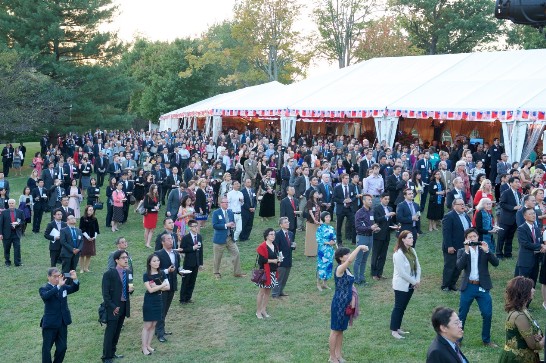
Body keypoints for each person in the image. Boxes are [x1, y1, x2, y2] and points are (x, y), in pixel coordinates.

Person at [460, 228, 500, 348]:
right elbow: (459, 266)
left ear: (478, 237)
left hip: (482, 286)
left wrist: (488, 251)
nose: (472, 239)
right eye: (470, 237)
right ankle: (458, 339)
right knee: (462, 315)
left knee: (487, 314)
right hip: (468, 286)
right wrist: (466, 252)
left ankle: (486, 340)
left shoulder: (484, 250)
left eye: (474, 236)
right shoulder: (462, 251)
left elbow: (496, 263)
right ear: (466, 239)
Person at [329, 244, 368, 363]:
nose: (348, 255)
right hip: (339, 303)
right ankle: (332, 357)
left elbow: (351, 286)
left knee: (341, 330)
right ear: (341, 258)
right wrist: (360, 246)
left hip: (346, 303)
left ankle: (339, 355)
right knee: (335, 330)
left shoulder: (347, 270)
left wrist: (353, 301)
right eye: (346, 254)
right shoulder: (340, 269)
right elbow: (351, 260)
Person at [499, 276, 544, 362]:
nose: (534, 290)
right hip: (519, 359)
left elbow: (520, 334)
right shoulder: (519, 316)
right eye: (531, 288)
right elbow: (533, 346)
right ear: (524, 292)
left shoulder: (522, 310)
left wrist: (535, 336)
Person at [39, 268, 79, 363]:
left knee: (62, 347)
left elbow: (74, 288)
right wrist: (57, 287)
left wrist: (75, 279)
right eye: (55, 276)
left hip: (62, 322)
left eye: (59, 276)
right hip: (50, 323)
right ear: (48, 277)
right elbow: (46, 296)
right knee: (46, 348)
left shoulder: (63, 286)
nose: (57, 279)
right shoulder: (44, 288)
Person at [102, 250, 133, 363]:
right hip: (113, 307)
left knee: (117, 331)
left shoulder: (128, 272)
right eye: (123, 257)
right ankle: (106, 357)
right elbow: (105, 294)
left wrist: (131, 290)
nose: (126, 259)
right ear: (116, 260)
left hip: (124, 306)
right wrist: (112, 307)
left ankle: (112, 352)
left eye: (127, 257)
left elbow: (129, 287)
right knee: (110, 332)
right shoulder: (109, 274)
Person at [390, 230, 421, 339]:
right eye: (409, 238)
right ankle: (394, 331)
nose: (412, 239)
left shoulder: (412, 250)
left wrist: (417, 279)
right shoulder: (398, 254)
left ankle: (398, 328)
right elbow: (402, 272)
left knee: (403, 308)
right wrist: (414, 282)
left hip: (411, 284)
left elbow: (418, 266)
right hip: (401, 284)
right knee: (398, 307)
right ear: (402, 239)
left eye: (412, 237)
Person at [141, 254, 170, 355]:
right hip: (150, 300)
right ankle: (144, 347)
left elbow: (168, 287)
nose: (156, 262)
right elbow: (150, 289)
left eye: (158, 260)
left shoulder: (162, 273)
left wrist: (156, 286)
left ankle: (148, 345)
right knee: (147, 325)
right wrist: (161, 285)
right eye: (154, 261)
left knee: (153, 325)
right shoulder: (146, 275)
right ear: (149, 263)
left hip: (159, 300)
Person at [211, 197, 245, 279]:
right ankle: (216, 273)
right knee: (217, 257)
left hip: (229, 238)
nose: (226, 204)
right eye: (225, 202)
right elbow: (214, 225)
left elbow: (232, 223)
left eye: (227, 202)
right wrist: (226, 225)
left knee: (236, 253)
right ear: (220, 203)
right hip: (219, 239)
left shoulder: (230, 212)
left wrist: (233, 226)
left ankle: (237, 273)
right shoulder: (216, 213)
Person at [515, 208, 546, 287]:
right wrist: (540, 246)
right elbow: (525, 243)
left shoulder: (536, 228)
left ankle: (529, 299)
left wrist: (542, 247)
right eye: (530, 214)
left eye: (534, 213)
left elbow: (539, 240)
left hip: (535, 261)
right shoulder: (521, 228)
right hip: (525, 261)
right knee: (522, 285)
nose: (533, 215)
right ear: (525, 216)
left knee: (532, 285)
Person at [353, 194, 379, 285]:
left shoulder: (371, 212)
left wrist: (374, 228)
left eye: (371, 200)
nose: (371, 201)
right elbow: (357, 227)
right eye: (369, 200)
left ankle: (362, 277)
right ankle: (356, 279)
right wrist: (370, 228)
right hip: (362, 237)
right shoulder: (359, 213)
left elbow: (370, 225)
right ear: (363, 201)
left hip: (370, 237)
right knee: (358, 259)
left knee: (365, 259)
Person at [371, 193, 397, 280]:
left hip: (386, 235)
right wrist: (387, 215)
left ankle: (380, 273)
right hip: (378, 235)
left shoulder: (390, 208)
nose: (387, 201)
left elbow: (389, 222)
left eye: (388, 199)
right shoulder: (377, 208)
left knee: (383, 255)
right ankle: (374, 273)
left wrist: (395, 226)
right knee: (376, 254)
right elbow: (377, 219)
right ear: (381, 199)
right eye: (385, 199)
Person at [255, 228, 279, 319]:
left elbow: (277, 255)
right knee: (261, 292)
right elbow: (261, 261)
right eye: (271, 234)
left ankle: (263, 310)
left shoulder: (275, 245)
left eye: (274, 234)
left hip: (273, 272)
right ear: (266, 236)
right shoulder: (262, 247)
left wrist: (279, 260)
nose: (273, 236)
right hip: (264, 273)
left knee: (268, 292)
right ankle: (258, 311)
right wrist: (273, 261)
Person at [497, 176, 522, 259]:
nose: (518, 184)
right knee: (501, 237)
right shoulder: (506, 192)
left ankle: (508, 254)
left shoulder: (518, 193)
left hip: (515, 219)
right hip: (505, 219)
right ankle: (499, 254)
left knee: (510, 237)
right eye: (516, 182)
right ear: (511, 183)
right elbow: (502, 204)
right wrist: (513, 207)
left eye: (519, 182)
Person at [180, 219, 203, 303]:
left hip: (196, 263)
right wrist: (192, 248)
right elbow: (182, 249)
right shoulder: (186, 238)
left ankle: (188, 297)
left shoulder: (199, 237)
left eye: (197, 226)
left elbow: (201, 250)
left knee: (192, 281)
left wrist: (201, 263)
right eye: (194, 226)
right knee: (186, 281)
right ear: (190, 228)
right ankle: (182, 298)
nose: (196, 228)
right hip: (188, 263)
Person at [272, 217, 295, 298]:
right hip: (281, 260)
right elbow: (276, 248)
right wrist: (278, 259)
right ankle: (275, 293)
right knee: (279, 278)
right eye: (285, 222)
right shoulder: (277, 234)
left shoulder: (291, 234)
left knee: (285, 277)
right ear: (281, 225)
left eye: (288, 222)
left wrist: (293, 247)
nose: (287, 223)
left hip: (288, 259)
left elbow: (290, 245)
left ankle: (281, 291)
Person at [333, 173, 357, 245]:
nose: (347, 180)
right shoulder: (337, 188)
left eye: (348, 178)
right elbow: (334, 198)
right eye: (346, 178)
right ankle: (339, 241)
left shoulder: (351, 186)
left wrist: (351, 200)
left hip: (349, 208)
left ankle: (354, 240)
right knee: (339, 225)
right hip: (341, 208)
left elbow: (355, 196)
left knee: (354, 224)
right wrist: (343, 200)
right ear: (342, 179)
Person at [0, 199, 24, 266]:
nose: (11, 204)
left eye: (12, 203)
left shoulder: (20, 212)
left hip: (16, 233)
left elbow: (23, 222)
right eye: (10, 203)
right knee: (6, 248)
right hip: (6, 234)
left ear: (15, 204)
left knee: (17, 248)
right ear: (8, 204)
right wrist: (0, 234)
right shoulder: (4, 212)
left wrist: (18, 223)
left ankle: (17, 262)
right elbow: (1, 224)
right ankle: (7, 262)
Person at [316, 211, 336, 291]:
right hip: (322, 250)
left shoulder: (331, 228)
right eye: (327, 217)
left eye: (329, 217)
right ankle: (318, 283)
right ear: (323, 218)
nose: (328, 218)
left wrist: (333, 242)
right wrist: (328, 242)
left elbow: (334, 238)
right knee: (321, 266)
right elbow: (318, 239)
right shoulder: (320, 228)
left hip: (330, 250)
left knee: (328, 266)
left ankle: (325, 283)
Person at [79, 205, 99, 273]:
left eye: (92, 210)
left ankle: (86, 268)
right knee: (82, 254)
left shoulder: (95, 219)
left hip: (92, 239)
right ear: (86, 211)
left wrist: (94, 237)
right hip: (85, 238)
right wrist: (88, 237)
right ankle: (81, 268)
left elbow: (97, 229)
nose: (91, 211)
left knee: (89, 253)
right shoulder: (83, 218)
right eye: (90, 210)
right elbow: (81, 229)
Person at [305, 189, 322, 257]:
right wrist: (314, 219)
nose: (317, 194)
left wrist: (320, 219)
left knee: (316, 237)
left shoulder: (318, 202)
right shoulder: (310, 202)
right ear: (312, 194)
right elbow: (310, 211)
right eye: (316, 193)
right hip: (311, 221)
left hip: (317, 220)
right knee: (310, 238)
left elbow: (319, 211)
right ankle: (309, 252)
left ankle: (316, 251)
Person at [143, 184, 160, 248]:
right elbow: (145, 205)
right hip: (149, 214)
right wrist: (153, 207)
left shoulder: (157, 196)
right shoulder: (148, 195)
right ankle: (146, 242)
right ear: (152, 189)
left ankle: (148, 243)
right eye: (154, 188)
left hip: (155, 214)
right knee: (147, 229)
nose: (156, 190)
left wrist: (158, 207)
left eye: (156, 188)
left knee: (152, 229)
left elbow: (158, 203)